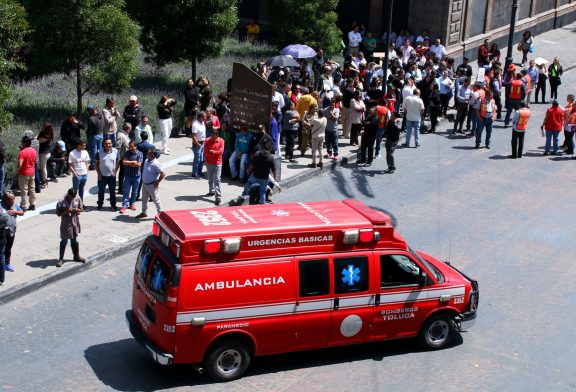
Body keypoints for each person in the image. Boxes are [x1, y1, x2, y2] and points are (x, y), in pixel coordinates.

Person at [234, 141, 277, 205]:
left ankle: (244, 195)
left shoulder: (257, 154)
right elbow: (273, 170)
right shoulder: (271, 158)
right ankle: (262, 203)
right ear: (270, 149)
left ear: (263, 147)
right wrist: (275, 177)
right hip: (264, 178)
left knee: (248, 184)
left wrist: (249, 169)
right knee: (262, 192)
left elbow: (252, 164)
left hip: (255, 175)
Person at [56, 188, 85, 267]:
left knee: (74, 240)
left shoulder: (77, 198)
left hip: (74, 221)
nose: (73, 199)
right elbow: (58, 213)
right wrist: (67, 211)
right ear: (68, 195)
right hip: (66, 223)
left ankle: (76, 256)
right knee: (64, 241)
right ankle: (61, 259)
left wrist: (77, 210)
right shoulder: (61, 201)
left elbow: (81, 209)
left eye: (74, 197)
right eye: (72, 197)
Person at [136, 148, 165, 219]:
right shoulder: (146, 161)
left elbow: (163, 174)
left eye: (149, 154)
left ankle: (160, 214)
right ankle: (144, 212)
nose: (147, 155)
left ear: (153, 155)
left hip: (152, 185)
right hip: (145, 184)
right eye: (147, 153)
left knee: (156, 200)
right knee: (144, 199)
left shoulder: (156, 164)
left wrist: (157, 181)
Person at [0, 191, 23, 275]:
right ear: (5, 200)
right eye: (11, 200)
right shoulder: (0, 206)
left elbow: (22, 212)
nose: (13, 201)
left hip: (11, 231)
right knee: (1, 250)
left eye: (13, 199)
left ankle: (7, 264)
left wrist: (15, 212)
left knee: (8, 248)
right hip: (1, 233)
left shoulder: (14, 205)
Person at [94, 138, 119, 211]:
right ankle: (100, 204)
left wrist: (115, 172)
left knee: (112, 192)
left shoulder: (115, 151)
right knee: (101, 192)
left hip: (112, 176)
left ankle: (113, 205)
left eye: (110, 143)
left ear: (112, 144)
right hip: (102, 176)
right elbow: (96, 163)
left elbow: (118, 161)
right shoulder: (99, 152)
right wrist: (99, 174)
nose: (108, 145)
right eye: (106, 143)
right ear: (103, 144)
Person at [119, 141, 143, 214]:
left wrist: (129, 163)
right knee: (126, 191)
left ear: (136, 146)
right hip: (128, 176)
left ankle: (132, 204)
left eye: (133, 146)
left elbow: (139, 165)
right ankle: (124, 205)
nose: (131, 148)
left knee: (134, 192)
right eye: (130, 147)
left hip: (137, 176)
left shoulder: (140, 154)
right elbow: (124, 162)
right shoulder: (127, 153)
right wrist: (133, 162)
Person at [203, 129, 225, 206]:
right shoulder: (207, 140)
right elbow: (205, 152)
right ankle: (211, 191)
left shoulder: (221, 141)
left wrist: (213, 152)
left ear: (217, 136)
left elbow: (221, 151)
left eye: (214, 137)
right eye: (212, 136)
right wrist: (213, 153)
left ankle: (218, 197)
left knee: (217, 179)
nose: (212, 138)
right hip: (209, 162)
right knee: (210, 178)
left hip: (218, 163)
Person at [17, 136, 37, 211]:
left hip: (23, 173)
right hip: (32, 172)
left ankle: (23, 205)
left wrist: (17, 170)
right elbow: (34, 161)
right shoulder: (33, 150)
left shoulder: (22, 152)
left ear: (24, 143)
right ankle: (33, 204)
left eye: (22, 142)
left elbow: (20, 164)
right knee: (32, 189)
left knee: (24, 190)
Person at [37, 123, 55, 189]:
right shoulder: (50, 133)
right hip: (48, 153)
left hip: (43, 153)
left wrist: (36, 136)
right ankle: (44, 181)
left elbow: (37, 141)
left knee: (43, 168)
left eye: (43, 126)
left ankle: (44, 182)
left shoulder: (44, 134)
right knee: (44, 168)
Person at [86, 105, 103, 170]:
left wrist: (87, 134)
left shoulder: (91, 119)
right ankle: (100, 163)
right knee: (100, 149)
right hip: (101, 134)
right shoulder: (101, 116)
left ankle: (93, 165)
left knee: (93, 151)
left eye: (88, 111)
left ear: (90, 111)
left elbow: (90, 130)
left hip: (93, 136)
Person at [116, 123, 131, 194]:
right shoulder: (120, 135)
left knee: (124, 173)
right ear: (128, 129)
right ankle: (120, 188)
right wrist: (117, 158)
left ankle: (122, 187)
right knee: (122, 173)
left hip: (125, 157)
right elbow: (117, 147)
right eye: (130, 129)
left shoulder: (125, 135)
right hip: (122, 157)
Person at [191, 111, 207, 178]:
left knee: (201, 159)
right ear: (201, 117)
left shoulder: (203, 122)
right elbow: (193, 136)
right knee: (197, 159)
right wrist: (197, 144)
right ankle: (194, 173)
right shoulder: (195, 125)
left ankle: (199, 172)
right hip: (197, 144)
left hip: (202, 143)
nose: (206, 117)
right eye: (205, 116)